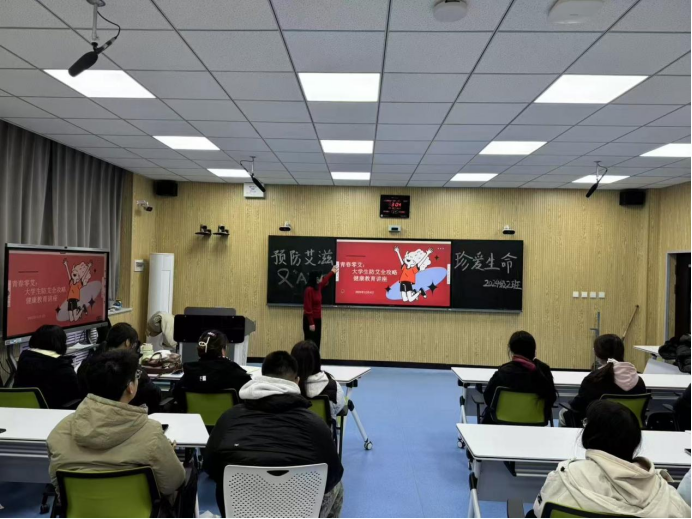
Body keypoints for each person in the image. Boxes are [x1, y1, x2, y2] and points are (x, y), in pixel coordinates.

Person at [205, 351, 344, 519]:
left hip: (242, 511)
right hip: (298, 511)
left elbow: (210, 466)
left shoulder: (229, 418)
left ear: (262, 377)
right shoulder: (316, 424)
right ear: (297, 381)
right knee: (338, 487)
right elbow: (333, 474)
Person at [47, 350, 185, 502]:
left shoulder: (60, 431)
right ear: (130, 387)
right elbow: (173, 483)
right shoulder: (151, 434)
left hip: (81, 511)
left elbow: (59, 488)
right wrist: (166, 453)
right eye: (137, 376)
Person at [532, 400, 691, 518]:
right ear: (635, 441)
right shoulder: (666, 496)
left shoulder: (564, 477)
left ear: (590, 435)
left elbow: (539, 511)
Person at [561, 334, 646, 427]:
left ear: (598, 353)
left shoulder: (593, 379)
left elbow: (578, 406)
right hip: (630, 428)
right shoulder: (638, 381)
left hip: (599, 429)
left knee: (563, 413)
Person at [78, 323, 162, 413]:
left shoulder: (86, 364)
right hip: (126, 414)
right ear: (127, 342)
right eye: (135, 345)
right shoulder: (128, 367)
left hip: (90, 414)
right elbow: (154, 393)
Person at [482, 331, 557, 425]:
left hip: (501, 426)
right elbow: (551, 400)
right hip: (534, 428)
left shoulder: (502, 373)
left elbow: (488, 398)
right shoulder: (544, 373)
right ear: (533, 350)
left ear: (511, 349)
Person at [173, 330, 252, 409]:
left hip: (195, 416)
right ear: (222, 350)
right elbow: (250, 395)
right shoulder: (234, 372)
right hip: (230, 416)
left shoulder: (190, 372)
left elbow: (177, 394)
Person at [14, 325, 81, 409]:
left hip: (23, 410)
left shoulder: (24, 360)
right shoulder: (62, 368)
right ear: (60, 343)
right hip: (55, 411)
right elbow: (76, 393)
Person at [291, 340, 345, 420]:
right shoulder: (334, 387)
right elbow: (339, 407)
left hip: (293, 427)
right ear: (317, 360)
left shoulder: (287, 389)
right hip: (324, 428)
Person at [304, 265, 338, 350]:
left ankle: (315, 357)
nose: (322, 278)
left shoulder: (318, 286)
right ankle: (309, 358)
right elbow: (308, 308)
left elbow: (325, 279)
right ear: (316, 279)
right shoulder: (309, 290)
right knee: (309, 342)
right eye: (320, 277)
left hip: (318, 319)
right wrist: (311, 323)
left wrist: (332, 272)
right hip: (310, 320)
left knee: (317, 341)